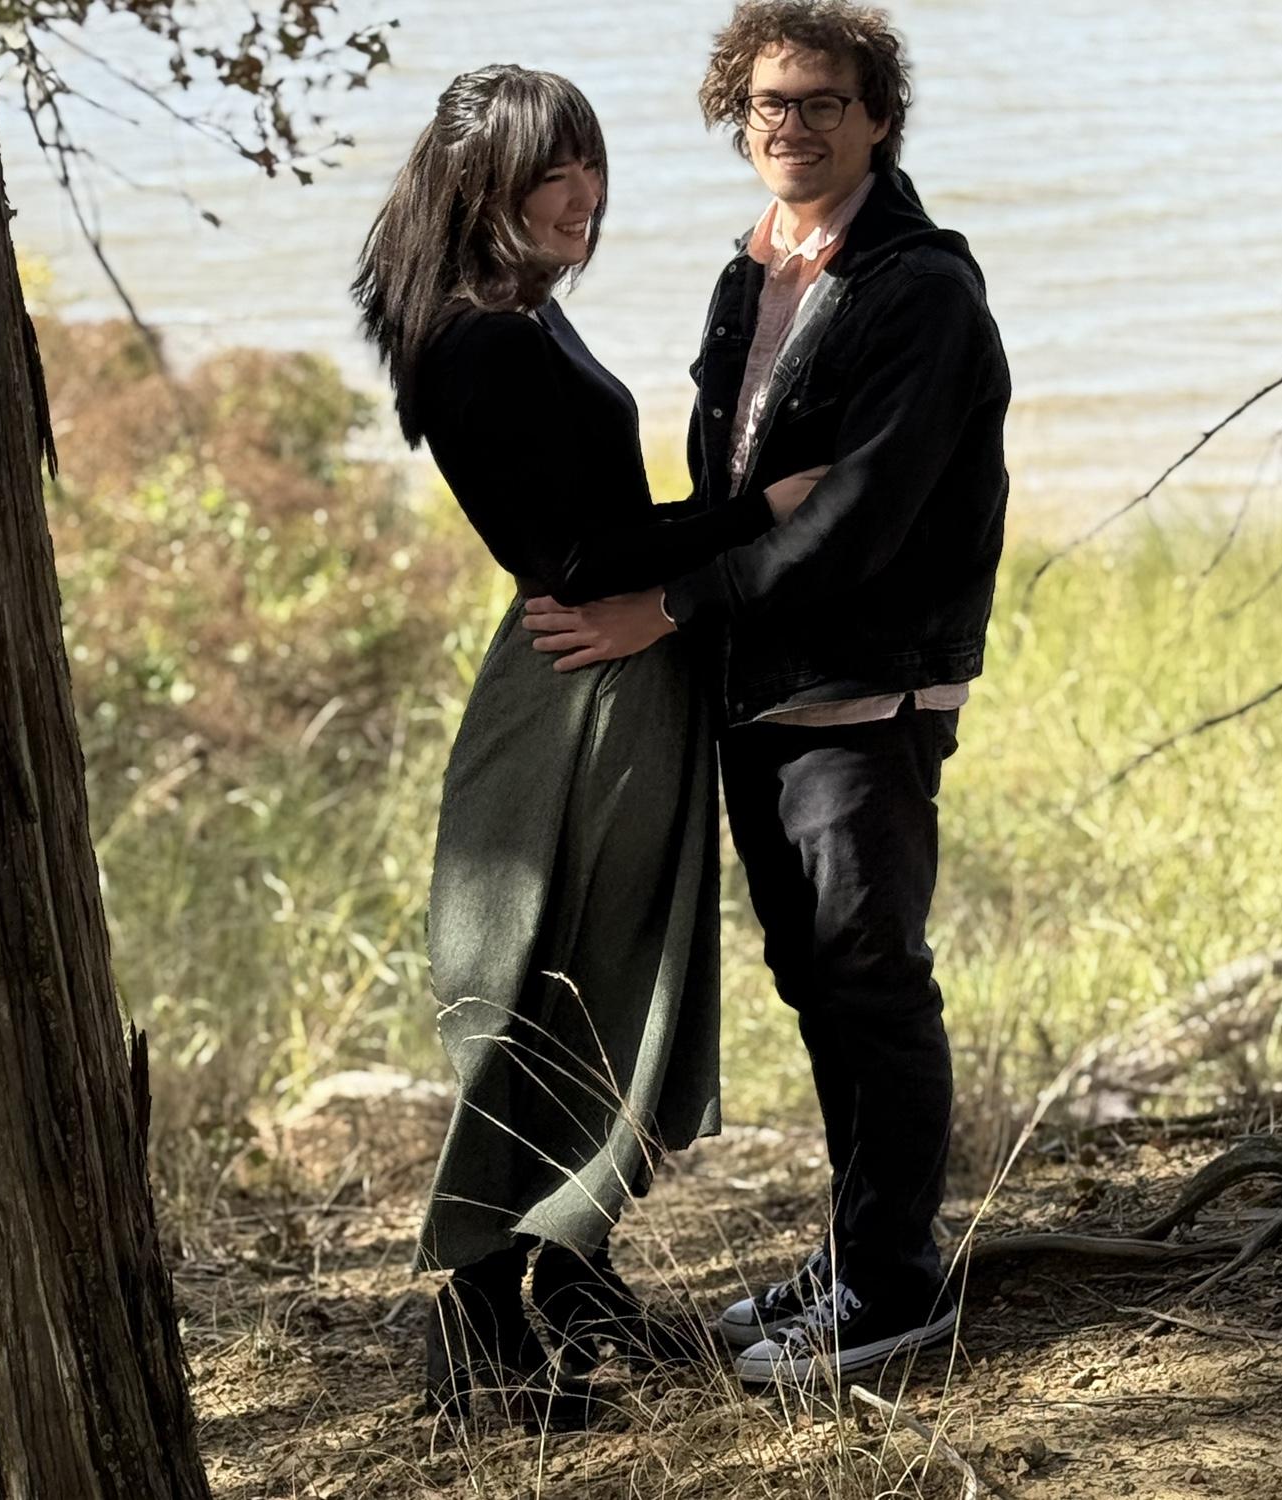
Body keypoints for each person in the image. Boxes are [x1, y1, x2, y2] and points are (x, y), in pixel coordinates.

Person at [522, 0, 1011, 1387]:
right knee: (813, 981)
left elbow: (860, 516)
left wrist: (670, 606)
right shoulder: (749, 273)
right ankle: (858, 1253)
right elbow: (742, 488)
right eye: (768, 104)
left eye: (822, 102)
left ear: (877, 119)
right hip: (760, 683)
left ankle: (896, 1287)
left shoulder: (920, 289)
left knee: (871, 979)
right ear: (739, 121)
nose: (792, 125)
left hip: (866, 690)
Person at [352, 64, 820, 1428]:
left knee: (614, 980)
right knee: (558, 987)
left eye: (590, 165)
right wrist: (756, 511)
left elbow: (597, 529)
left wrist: (705, 537)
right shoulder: (479, 344)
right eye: (550, 174)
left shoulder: (519, 312)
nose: (583, 196)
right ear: (482, 187)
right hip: (584, 693)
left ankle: (572, 1274)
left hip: (621, 676)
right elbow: (572, 557)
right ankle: (481, 1332)